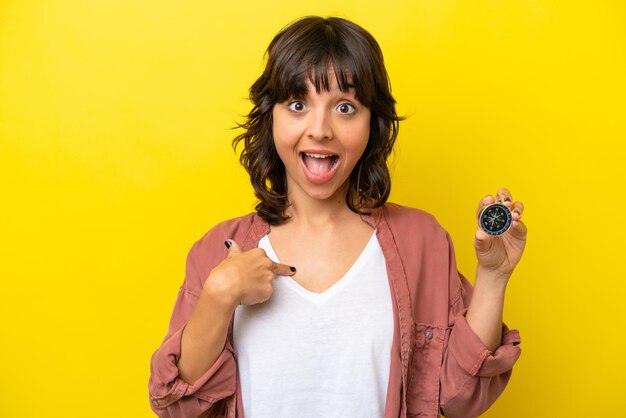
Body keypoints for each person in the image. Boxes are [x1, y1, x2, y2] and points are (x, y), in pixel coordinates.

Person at [148, 16, 526, 418]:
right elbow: (179, 407)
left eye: (345, 107)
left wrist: (493, 276)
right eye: (297, 105)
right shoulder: (220, 250)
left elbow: (461, 399)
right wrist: (220, 294)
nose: (320, 129)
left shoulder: (422, 241)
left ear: (371, 124)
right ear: (270, 116)